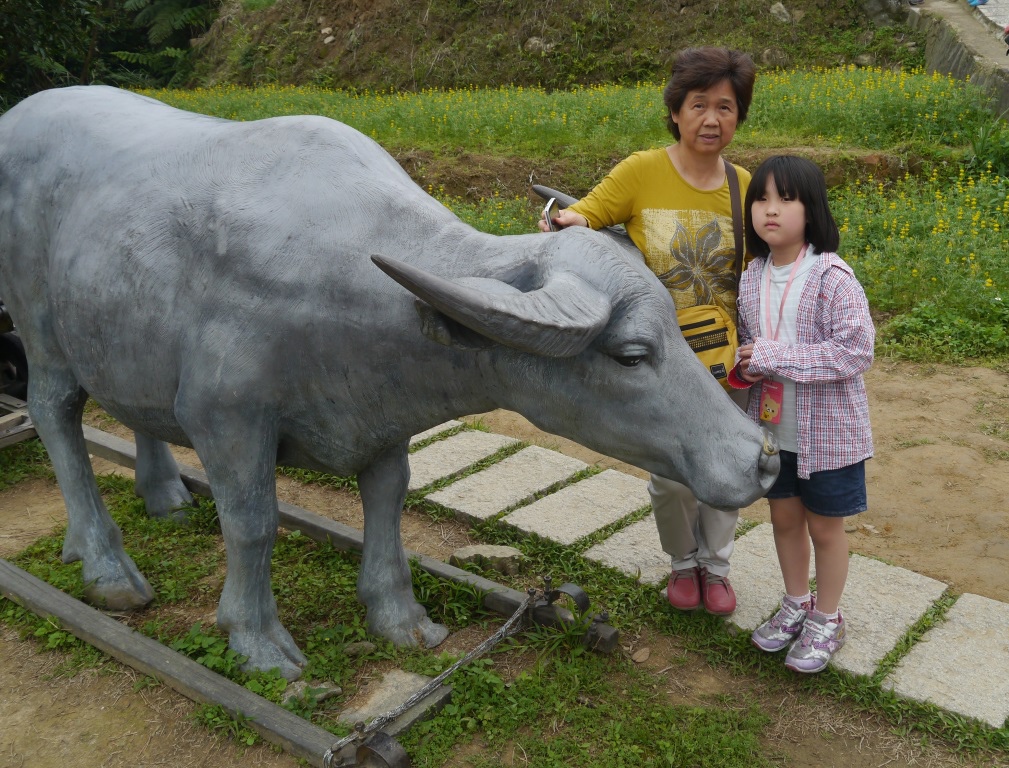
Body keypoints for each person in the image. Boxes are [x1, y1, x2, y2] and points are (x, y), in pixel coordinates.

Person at [539, 47, 757, 615]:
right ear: (676, 112)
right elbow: (587, 214)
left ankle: (717, 566)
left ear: (740, 116)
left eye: (726, 108)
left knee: (729, 459)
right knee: (671, 474)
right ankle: (682, 562)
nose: (712, 119)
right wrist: (563, 223)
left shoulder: (745, 186)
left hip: (728, 355)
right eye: (699, 105)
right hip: (662, 358)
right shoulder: (640, 171)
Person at [728, 155, 874, 673]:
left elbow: (856, 350)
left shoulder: (830, 275)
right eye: (761, 199)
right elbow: (751, 347)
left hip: (829, 435)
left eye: (785, 199)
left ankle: (828, 618)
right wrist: (744, 368)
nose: (770, 210)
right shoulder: (751, 277)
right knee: (784, 519)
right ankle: (796, 604)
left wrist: (773, 357)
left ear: (810, 210)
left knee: (826, 529)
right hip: (773, 428)